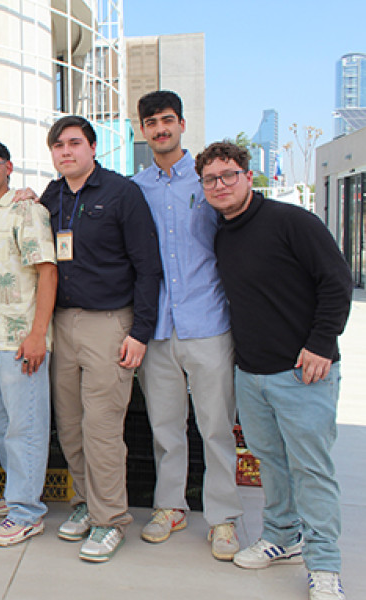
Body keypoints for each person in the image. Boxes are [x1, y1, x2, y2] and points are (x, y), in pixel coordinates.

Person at [196, 142, 353, 600]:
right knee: (272, 464)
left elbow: (336, 280)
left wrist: (322, 344)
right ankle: (283, 537)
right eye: (211, 179)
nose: (220, 186)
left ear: (248, 176)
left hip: (303, 371)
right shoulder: (223, 233)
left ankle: (324, 564)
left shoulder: (291, 222)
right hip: (252, 373)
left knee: (311, 469)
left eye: (229, 175)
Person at [39, 115, 162, 562]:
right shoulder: (52, 197)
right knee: (70, 425)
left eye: (74, 143)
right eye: (58, 146)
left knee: (103, 427)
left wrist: (140, 331)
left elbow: (148, 266)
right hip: (62, 323)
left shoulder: (121, 193)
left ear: (93, 148)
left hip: (110, 323)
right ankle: (84, 505)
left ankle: (111, 519)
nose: (65, 151)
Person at [132, 91, 243, 559]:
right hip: (157, 327)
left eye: (167, 120)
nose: (160, 128)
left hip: (208, 320)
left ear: (181, 124)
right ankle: (170, 506)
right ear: (142, 130)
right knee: (165, 425)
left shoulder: (209, 180)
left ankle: (223, 518)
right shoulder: (133, 188)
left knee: (216, 426)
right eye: (152, 122)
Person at [0, 138, 57, 545]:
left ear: (8, 167)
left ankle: (27, 511)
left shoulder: (27, 210)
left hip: (22, 341)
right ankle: (18, 494)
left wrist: (38, 334)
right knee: (1, 425)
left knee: (26, 428)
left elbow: (48, 272)